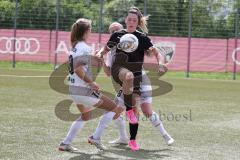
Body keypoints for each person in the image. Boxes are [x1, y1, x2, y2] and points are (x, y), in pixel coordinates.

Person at [92, 7, 170, 151]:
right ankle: (104, 134)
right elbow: (105, 50)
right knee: (125, 95)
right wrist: (100, 54)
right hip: (120, 73)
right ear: (125, 20)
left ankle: (129, 139)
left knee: (132, 110)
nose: (131, 22)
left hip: (136, 78)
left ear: (138, 22)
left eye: (134, 20)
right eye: (129, 19)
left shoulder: (142, 37)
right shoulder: (117, 35)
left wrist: (161, 64)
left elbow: (156, 53)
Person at [58, 18, 123, 152]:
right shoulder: (84, 47)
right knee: (114, 108)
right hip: (82, 90)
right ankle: (96, 138)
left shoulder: (75, 46)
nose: (91, 31)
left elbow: (81, 64)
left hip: (73, 89)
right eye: (90, 29)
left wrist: (96, 58)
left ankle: (65, 143)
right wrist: (91, 82)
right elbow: (78, 69)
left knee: (86, 115)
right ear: (86, 31)